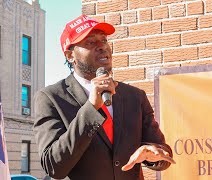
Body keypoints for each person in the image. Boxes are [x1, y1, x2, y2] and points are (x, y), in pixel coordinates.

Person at [33, 14, 175, 180]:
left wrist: (154, 153)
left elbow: (164, 153)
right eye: (91, 42)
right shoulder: (51, 98)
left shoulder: (135, 97)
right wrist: (91, 108)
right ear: (70, 56)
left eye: (104, 40)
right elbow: (53, 166)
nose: (102, 46)